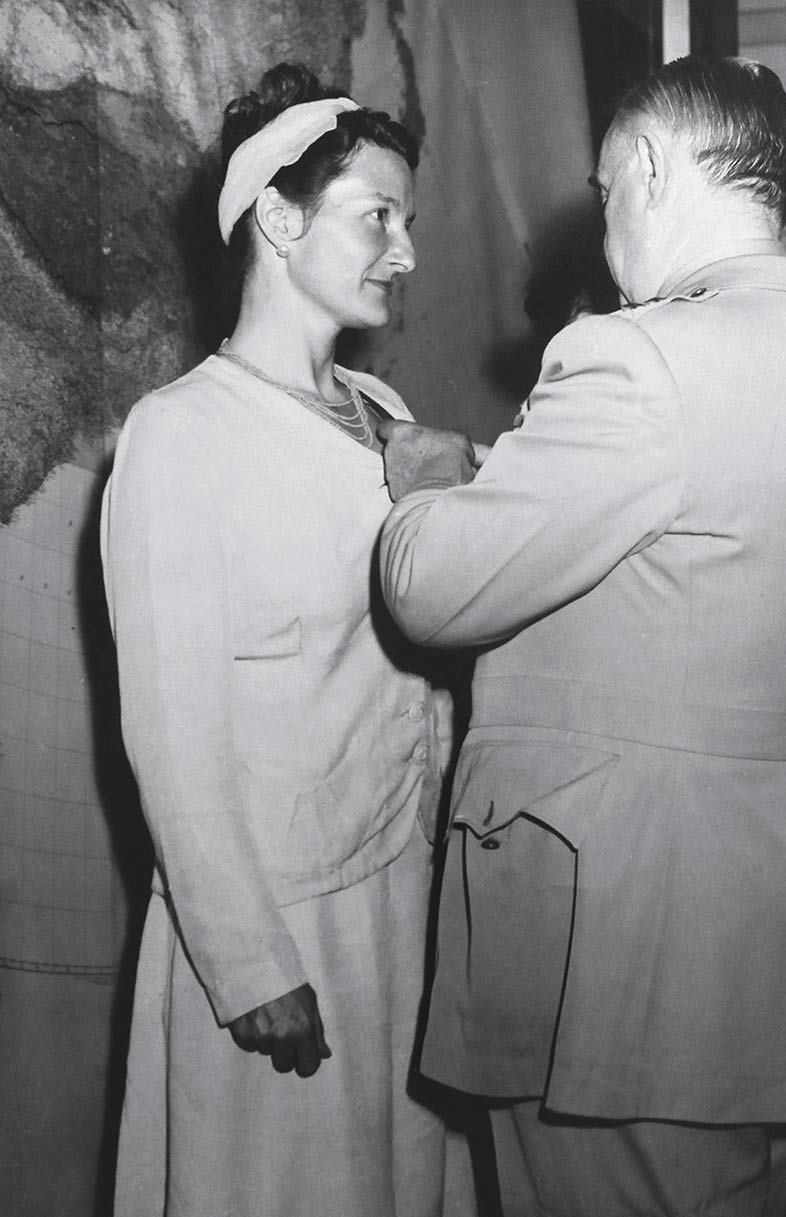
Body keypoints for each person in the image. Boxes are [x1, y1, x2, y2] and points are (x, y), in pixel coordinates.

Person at [377, 56, 786, 1217]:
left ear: (652, 168)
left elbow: (433, 592)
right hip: (770, 947)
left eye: (607, 191)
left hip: (630, 956)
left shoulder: (638, 354)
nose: (604, 226)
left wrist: (420, 487)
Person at [101, 62, 478, 1217]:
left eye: (405, 223)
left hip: (401, 904)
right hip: (279, 925)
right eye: (379, 216)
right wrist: (250, 962)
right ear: (278, 213)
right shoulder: (178, 438)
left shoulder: (395, 421)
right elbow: (169, 729)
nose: (405, 253)